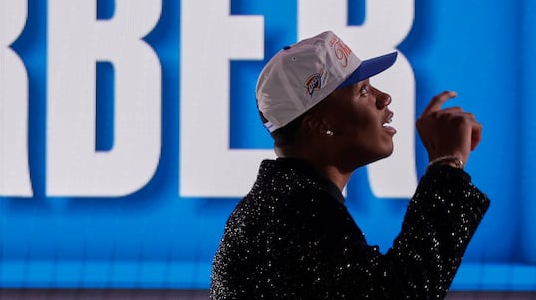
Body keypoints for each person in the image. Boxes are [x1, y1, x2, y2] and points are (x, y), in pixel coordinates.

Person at [210, 31, 490, 299]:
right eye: (363, 91)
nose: (384, 98)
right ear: (320, 124)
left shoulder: (282, 203)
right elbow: (400, 293)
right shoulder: (296, 213)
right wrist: (447, 166)